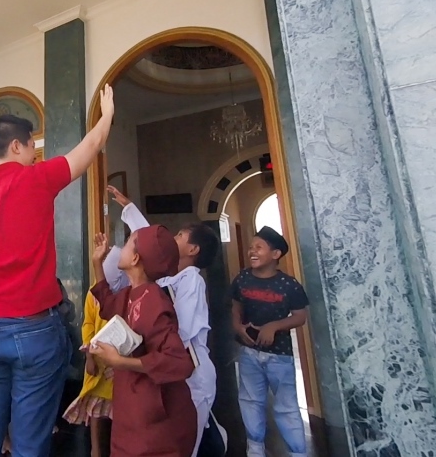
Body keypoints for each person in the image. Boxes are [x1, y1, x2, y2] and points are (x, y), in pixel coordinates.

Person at [0, 85, 116, 456]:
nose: (36, 154)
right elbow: (90, 146)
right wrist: (108, 113)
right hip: (36, 329)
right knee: (31, 440)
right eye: (32, 147)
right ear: (16, 146)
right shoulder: (37, 179)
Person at [102, 186, 222, 456]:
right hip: (165, 368)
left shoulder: (191, 279)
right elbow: (148, 247)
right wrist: (130, 210)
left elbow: (182, 331)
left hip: (190, 368)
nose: (171, 238)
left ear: (192, 249)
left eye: (179, 235)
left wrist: (138, 351)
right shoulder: (166, 279)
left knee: (184, 440)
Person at [89, 226, 197, 456]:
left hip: (155, 420)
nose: (122, 248)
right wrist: (97, 263)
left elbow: (179, 362)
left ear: (136, 258)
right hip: (132, 407)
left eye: (128, 242)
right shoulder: (132, 293)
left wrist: (121, 362)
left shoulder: (155, 301)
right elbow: (108, 306)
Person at [231, 226, 309, 457]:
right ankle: (255, 449)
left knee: (286, 407)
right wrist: (237, 326)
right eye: (251, 247)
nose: (251, 251)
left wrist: (273, 326)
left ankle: (298, 452)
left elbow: (300, 316)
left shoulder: (289, 284)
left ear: (275, 255)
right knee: (250, 400)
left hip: (280, 356)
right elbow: (236, 307)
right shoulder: (243, 278)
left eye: (259, 247)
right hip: (248, 353)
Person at [62, 276, 113, 457]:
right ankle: (95, 450)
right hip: (97, 359)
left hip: (119, 361)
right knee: (96, 408)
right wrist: (89, 357)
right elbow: (88, 324)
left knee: (119, 410)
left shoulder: (127, 289)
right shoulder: (93, 292)